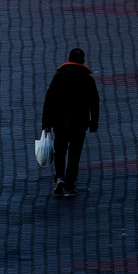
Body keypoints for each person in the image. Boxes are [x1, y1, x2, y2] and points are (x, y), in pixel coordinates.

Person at [42, 48, 100, 198]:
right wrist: (94, 122)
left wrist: (46, 123)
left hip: (60, 123)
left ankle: (60, 177)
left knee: (60, 151)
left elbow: (49, 101)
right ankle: (70, 186)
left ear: (68, 59)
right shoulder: (87, 79)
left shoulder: (59, 77)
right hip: (79, 124)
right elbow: (94, 102)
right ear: (83, 61)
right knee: (74, 155)